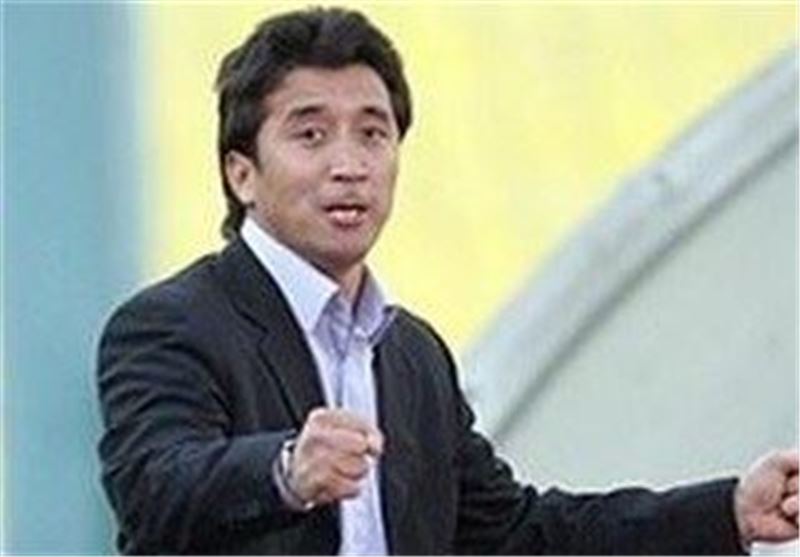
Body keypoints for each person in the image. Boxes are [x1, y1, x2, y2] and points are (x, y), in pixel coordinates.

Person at [96, 7, 799, 555]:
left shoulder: (411, 354)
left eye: (373, 133)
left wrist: (729, 510)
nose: (350, 165)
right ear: (240, 173)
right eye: (311, 135)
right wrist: (285, 471)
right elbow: (154, 491)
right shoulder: (169, 324)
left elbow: (519, 533)